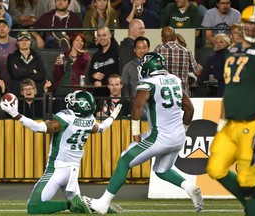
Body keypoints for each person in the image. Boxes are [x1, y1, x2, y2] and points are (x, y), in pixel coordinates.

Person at [83, 52, 204, 214]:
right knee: (162, 170)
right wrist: (184, 130)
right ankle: (190, 187)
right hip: (178, 136)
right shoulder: (175, 80)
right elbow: (189, 108)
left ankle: (103, 203)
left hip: (159, 137)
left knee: (124, 160)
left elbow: (137, 106)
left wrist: (135, 131)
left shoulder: (148, 83)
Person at [206, 5, 255, 216]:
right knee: (215, 168)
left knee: (248, 180)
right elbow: (229, 90)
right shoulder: (232, 50)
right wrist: (221, 125)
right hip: (231, 124)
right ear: (242, 25)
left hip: (254, 124)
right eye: (250, 23)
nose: (254, 29)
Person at [0, 90, 123, 214]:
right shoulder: (90, 120)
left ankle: (70, 205)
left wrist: (16, 115)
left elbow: (38, 127)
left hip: (57, 168)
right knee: (80, 210)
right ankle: (102, 208)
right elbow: (102, 127)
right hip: (73, 171)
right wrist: (113, 116)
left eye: (74, 100)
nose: (71, 100)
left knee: (34, 207)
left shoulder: (65, 118)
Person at [154, 26, 202, 95]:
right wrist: (201, 68)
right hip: (182, 92)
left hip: (164, 92)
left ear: (162, 38)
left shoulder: (158, 49)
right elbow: (197, 72)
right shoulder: (186, 51)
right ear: (175, 37)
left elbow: (153, 70)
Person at [7, 31, 47, 97]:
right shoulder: (12, 57)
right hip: (17, 94)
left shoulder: (37, 57)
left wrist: (21, 72)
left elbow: (41, 75)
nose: (24, 42)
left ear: (30, 41)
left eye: (26, 40)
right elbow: (14, 74)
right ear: (17, 42)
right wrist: (32, 71)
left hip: (35, 94)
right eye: (21, 40)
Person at [53, 32, 91, 97]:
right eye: (77, 40)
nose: (80, 43)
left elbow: (83, 63)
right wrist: (57, 65)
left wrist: (80, 54)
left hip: (77, 90)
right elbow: (56, 76)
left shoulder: (84, 56)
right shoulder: (64, 55)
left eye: (82, 41)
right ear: (72, 41)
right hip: (62, 89)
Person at [0, 17, 17, 93]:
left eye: (4, 26)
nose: (2, 29)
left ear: (9, 28)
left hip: (14, 80)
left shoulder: (17, 43)